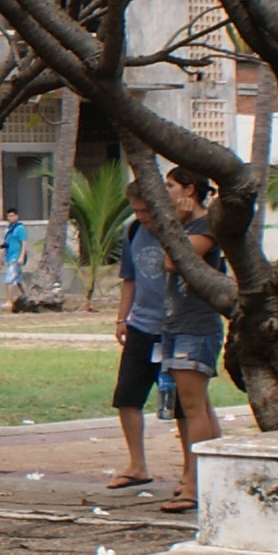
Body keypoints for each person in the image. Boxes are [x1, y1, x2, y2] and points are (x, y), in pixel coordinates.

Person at [151, 167, 226, 513]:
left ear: (190, 189)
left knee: (194, 407)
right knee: (194, 405)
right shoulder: (184, 228)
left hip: (196, 325)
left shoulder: (205, 226)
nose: (165, 191)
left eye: (170, 185)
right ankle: (200, 475)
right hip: (175, 321)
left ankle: (196, 484)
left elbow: (171, 261)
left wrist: (175, 225)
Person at [110, 203, 170, 495]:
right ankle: (137, 465)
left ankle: (190, 473)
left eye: (147, 210)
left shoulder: (177, 230)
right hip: (141, 325)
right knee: (126, 397)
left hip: (175, 327)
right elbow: (129, 279)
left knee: (181, 406)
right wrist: (123, 318)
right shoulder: (133, 229)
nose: (142, 216)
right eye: (136, 210)